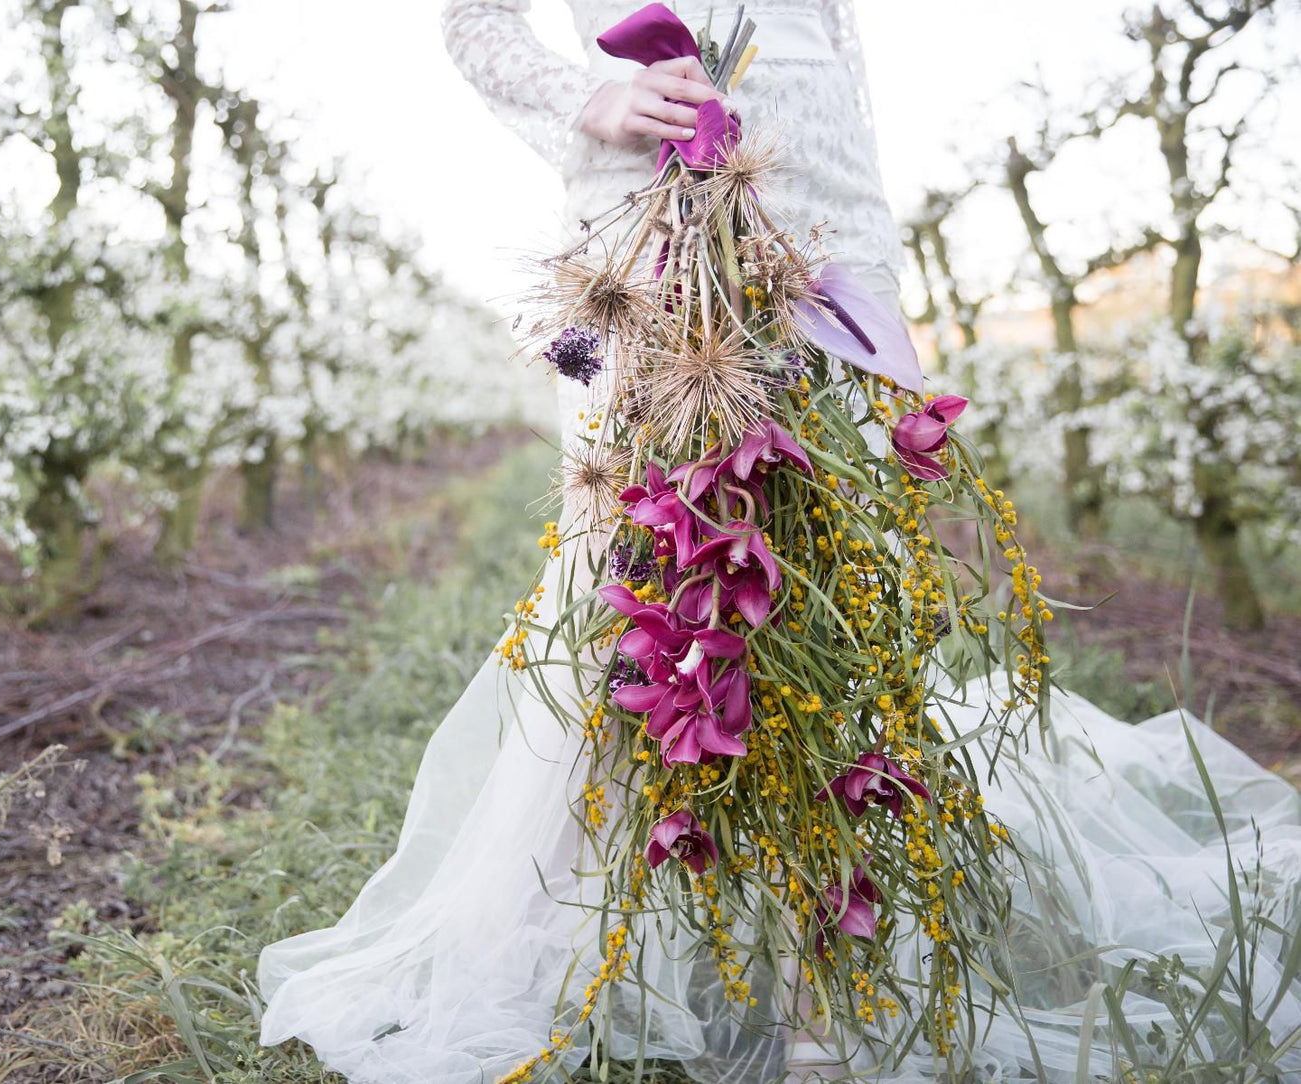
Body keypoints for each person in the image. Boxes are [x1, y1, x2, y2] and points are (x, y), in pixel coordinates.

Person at [258, 4, 1301, 1082]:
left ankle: (818, 977)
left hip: (824, 227)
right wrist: (586, 96)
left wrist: (868, 252)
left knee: (827, 610)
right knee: (654, 599)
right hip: (656, 237)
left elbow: (827, 46)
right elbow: (473, 16)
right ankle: (599, 938)